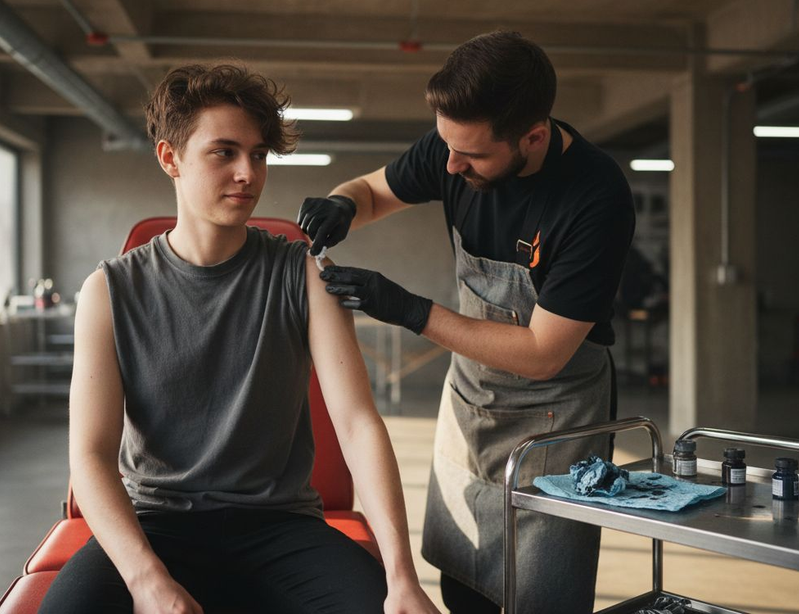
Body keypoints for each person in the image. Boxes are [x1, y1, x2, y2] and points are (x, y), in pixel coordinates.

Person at [39, 63, 439, 614]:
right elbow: (90, 455)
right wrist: (146, 580)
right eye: (224, 152)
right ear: (170, 158)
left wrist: (402, 577)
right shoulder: (108, 291)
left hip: (278, 528)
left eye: (258, 154)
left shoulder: (304, 275)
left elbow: (357, 424)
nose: (248, 173)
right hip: (157, 524)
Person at [297, 31, 635, 613]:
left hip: (557, 414)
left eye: (471, 156)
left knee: (540, 597)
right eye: (446, 147)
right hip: (472, 400)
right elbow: (374, 191)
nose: (450, 165)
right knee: (462, 581)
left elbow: (542, 352)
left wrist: (409, 310)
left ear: (532, 136)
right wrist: (344, 203)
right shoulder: (454, 146)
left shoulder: (594, 196)